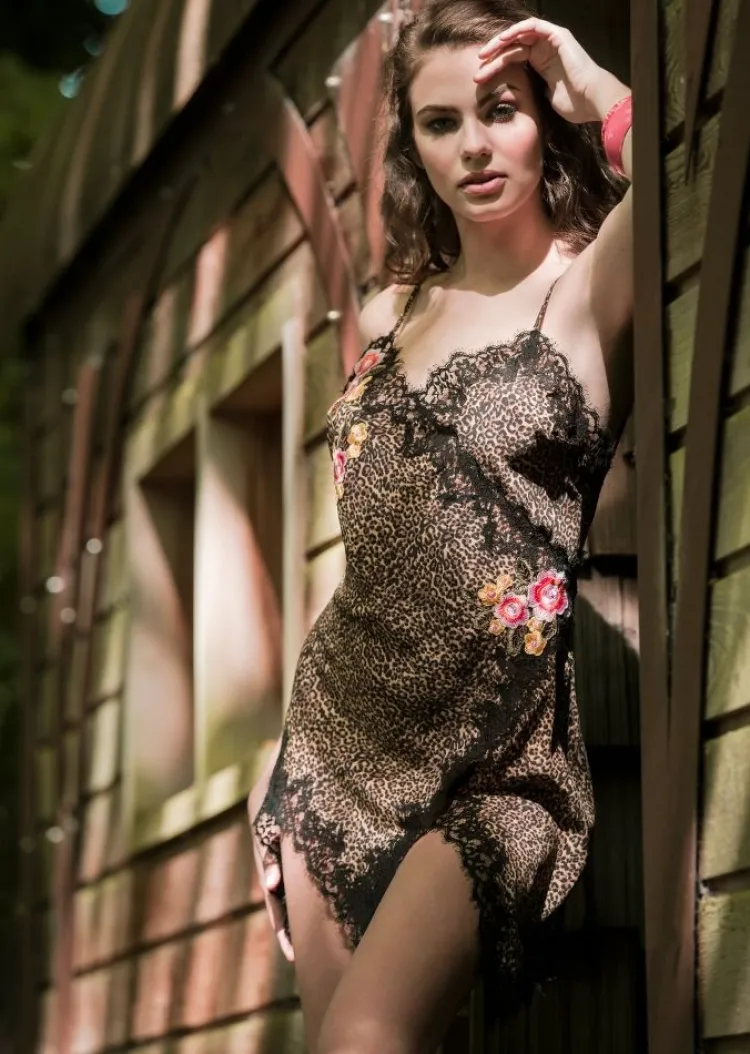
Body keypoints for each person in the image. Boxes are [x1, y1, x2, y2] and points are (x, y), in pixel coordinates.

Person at [249, 0, 633, 1050]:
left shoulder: (588, 285)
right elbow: (372, 547)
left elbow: (672, 154)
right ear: (412, 145)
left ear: (542, 118)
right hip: (335, 750)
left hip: (500, 766)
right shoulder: (392, 311)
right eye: (440, 121)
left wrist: (589, 80)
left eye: (500, 109)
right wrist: (277, 768)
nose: (473, 145)